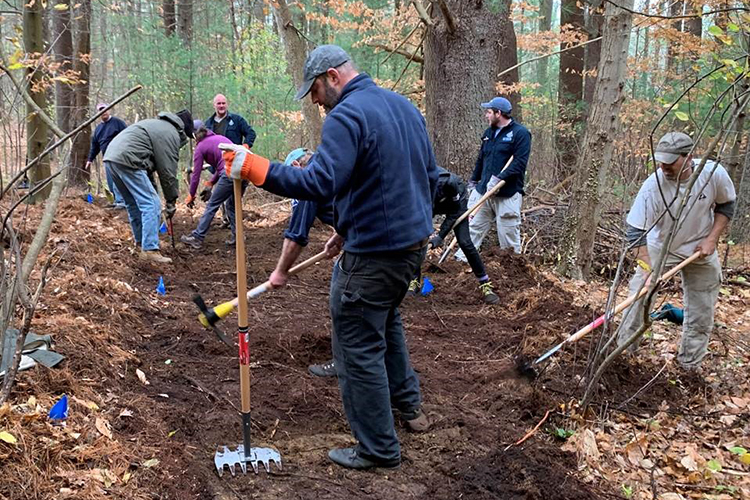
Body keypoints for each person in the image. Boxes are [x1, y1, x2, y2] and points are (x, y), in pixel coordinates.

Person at [222, 45, 437, 470]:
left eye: (316, 91)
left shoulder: (348, 115)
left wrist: (256, 170)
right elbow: (415, 179)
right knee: (386, 321)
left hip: (375, 256)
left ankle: (378, 448)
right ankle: (410, 409)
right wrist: (346, 228)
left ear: (334, 77)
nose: (316, 102)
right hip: (410, 249)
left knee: (357, 345)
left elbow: (320, 182)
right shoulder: (403, 107)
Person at [616, 131, 736, 370]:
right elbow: (634, 232)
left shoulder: (713, 174)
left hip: (701, 248)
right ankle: (623, 359)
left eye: (670, 161)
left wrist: (712, 239)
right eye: (660, 161)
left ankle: (689, 366)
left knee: (702, 310)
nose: (664, 166)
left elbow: (727, 204)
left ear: (689, 156)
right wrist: (648, 268)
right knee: (637, 299)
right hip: (660, 248)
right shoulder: (653, 186)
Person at [267, 148, 338, 378]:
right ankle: (406, 395)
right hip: (398, 238)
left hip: (368, 248)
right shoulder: (333, 160)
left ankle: (345, 361)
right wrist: (343, 234)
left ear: (296, 167)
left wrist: (280, 271)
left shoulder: (308, 178)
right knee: (386, 318)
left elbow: (297, 234)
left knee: (343, 302)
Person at [103, 110, 193, 264]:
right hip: (128, 159)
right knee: (152, 203)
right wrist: (171, 201)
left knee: (133, 204)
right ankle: (150, 249)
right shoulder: (170, 133)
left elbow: (149, 164)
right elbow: (168, 172)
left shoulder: (157, 125)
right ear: (183, 130)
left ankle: (141, 245)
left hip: (112, 157)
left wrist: (154, 189)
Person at [408, 166, 500, 304]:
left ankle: (485, 284)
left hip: (455, 206)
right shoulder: (420, 186)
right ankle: (414, 281)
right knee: (417, 239)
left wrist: (440, 236)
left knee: (465, 242)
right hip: (430, 203)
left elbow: (455, 213)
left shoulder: (455, 188)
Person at [455, 96, 531, 259]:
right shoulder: (488, 133)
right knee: (472, 227)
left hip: (507, 194)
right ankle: (459, 261)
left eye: (489, 112)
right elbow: (481, 159)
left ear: (499, 113)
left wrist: (498, 179)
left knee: (508, 233)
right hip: (484, 191)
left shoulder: (520, 133)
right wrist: (473, 182)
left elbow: (519, 163)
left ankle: (513, 268)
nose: (486, 115)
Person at [180, 121, 247, 249]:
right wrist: (211, 182)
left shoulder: (200, 147)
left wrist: (191, 194)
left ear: (195, 135)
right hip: (244, 172)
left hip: (229, 173)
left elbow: (196, 174)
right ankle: (238, 237)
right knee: (232, 205)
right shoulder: (220, 139)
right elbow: (222, 164)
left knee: (212, 205)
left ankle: (197, 237)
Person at [205, 94, 257, 227]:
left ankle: (236, 226)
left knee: (233, 198)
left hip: (235, 163)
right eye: (219, 103)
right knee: (220, 195)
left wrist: (245, 146)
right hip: (217, 165)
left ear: (227, 104)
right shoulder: (208, 124)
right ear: (214, 105)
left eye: (223, 103)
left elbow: (251, 133)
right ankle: (226, 220)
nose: (221, 106)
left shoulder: (237, 120)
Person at [86, 103, 128, 208]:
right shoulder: (98, 129)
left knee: (118, 180)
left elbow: (128, 136)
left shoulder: (118, 123)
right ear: (98, 113)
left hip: (119, 156)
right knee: (110, 182)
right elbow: (95, 146)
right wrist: (90, 159)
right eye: (101, 110)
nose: (103, 112)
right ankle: (117, 200)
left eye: (105, 109)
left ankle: (121, 201)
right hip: (107, 158)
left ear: (108, 110)